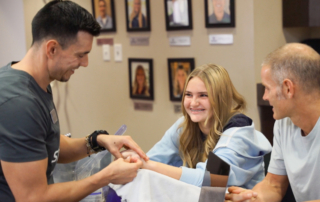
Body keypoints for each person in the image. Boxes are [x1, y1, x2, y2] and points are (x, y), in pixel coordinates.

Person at [0, 1, 148, 201]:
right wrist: (106, 176)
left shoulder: (37, 84)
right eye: (80, 55)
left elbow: (45, 142)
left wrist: (96, 141)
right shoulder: (18, 103)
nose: (85, 63)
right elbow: (33, 198)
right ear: (52, 49)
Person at [123, 64, 272, 188]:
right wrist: (135, 161)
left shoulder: (239, 130)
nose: (193, 103)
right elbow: (152, 158)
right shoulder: (184, 126)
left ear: (220, 98)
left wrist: (147, 165)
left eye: (203, 95)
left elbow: (209, 179)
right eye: (188, 95)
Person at [225, 43, 320, 202]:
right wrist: (254, 198)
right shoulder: (284, 123)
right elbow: (274, 184)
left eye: (267, 88)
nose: (264, 97)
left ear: (288, 88)